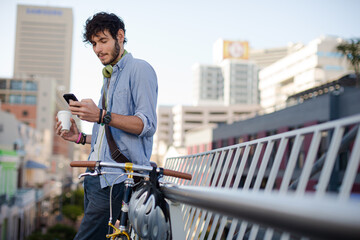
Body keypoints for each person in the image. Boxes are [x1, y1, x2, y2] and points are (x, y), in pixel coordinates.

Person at [55, 12, 158, 240]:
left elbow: (147, 124)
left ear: (120, 36)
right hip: (96, 177)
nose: (98, 49)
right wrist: (79, 138)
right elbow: (113, 133)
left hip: (116, 180)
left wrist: (101, 114)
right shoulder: (109, 77)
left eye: (103, 41)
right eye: (93, 43)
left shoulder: (139, 69)